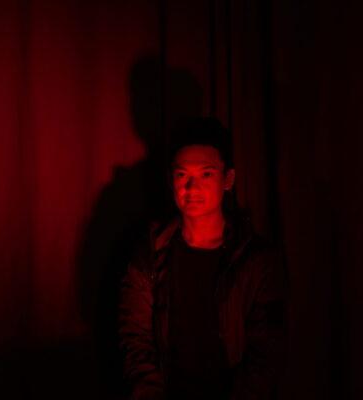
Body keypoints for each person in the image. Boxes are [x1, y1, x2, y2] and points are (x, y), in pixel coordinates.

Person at [118, 117, 287, 400]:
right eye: (182, 175)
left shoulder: (257, 261)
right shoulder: (151, 252)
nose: (192, 187)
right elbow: (135, 337)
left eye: (206, 174)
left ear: (227, 179)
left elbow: (267, 355)